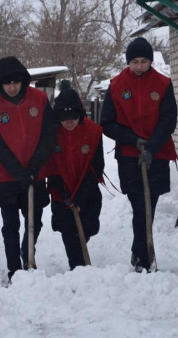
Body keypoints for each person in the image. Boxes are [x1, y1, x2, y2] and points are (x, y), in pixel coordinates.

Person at [100, 37, 178, 272]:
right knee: (139, 204)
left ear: (150, 61)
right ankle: (142, 253)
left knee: (149, 204)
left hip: (158, 153)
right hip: (129, 154)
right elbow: (107, 123)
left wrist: (152, 148)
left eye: (144, 61)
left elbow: (168, 120)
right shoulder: (116, 85)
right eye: (134, 62)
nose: (139, 66)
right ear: (128, 62)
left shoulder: (163, 84)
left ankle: (141, 253)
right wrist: (134, 140)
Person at [0, 56, 57, 282]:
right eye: (8, 83)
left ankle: (28, 253)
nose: (13, 87)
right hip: (7, 176)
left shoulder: (40, 99)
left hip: (36, 172)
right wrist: (18, 172)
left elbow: (49, 134)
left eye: (16, 81)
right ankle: (14, 269)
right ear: (0, 84)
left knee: (35, 219)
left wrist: (34, 167)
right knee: (11, 224)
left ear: (23, 80)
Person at [47, 89, 104, 270]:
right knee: (68, 232)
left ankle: (80, 251)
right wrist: (65, 194)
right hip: (61, 193)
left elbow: (96, 168)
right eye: (64, 117)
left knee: (84, 230)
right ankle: (78, 269)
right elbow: (51, 168)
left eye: (73, 116)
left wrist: (80, 197)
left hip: (87, 193)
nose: (69, 121)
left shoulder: (93, 133)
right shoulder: (51, 135)